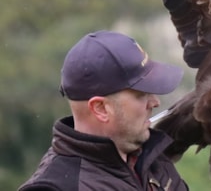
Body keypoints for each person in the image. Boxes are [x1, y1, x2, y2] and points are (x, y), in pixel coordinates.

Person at [19, 30, 188, 190]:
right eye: (141, 94)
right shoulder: (58, 187)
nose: (155, 102)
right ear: (100, 108)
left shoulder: (154, 161)